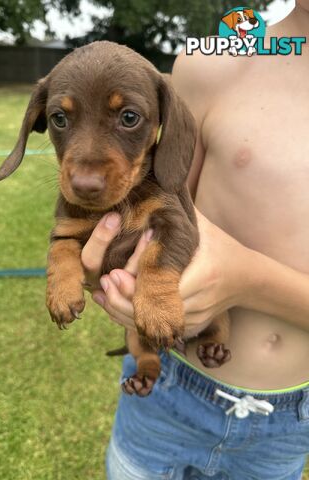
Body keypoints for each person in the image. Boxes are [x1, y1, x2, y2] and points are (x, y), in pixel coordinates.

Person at [81, 2, 309, 478]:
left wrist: (247, 280)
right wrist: (121, 279)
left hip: (288, 425)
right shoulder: (212, 62)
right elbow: (160, 213)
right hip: (168, 388)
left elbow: (238, 276)